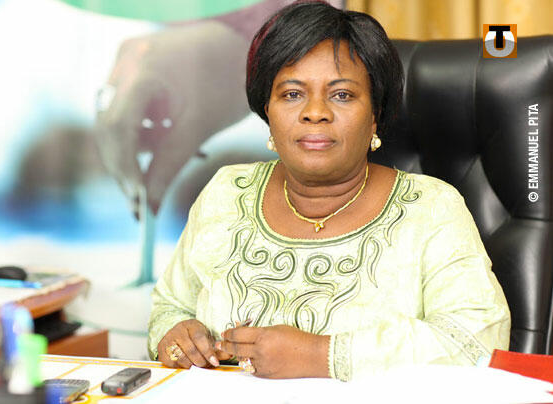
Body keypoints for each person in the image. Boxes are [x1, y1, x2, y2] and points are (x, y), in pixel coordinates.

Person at [148, 1, 510, 381]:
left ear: (375, 115)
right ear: (267, 110)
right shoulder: (226, 192)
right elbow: (169, 308)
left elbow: (478, 341)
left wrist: (319, 355)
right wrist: (176, 335)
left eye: (342, 95)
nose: (315, 112)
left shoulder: (431, 208)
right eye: (292, 94)